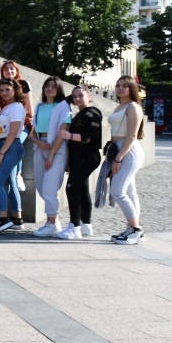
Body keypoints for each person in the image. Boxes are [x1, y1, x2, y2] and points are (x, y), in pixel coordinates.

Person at [56, 86, 102, 239]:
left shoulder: (92, 113)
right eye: (74, 96)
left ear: (89, 96)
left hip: (88, 156)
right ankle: (85, 224)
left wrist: (70, 135)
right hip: (79, 157)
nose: (77, 99)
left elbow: (92, 136)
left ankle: (74, 226)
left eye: (80, 95)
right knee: (82, 189)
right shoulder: (79, 114)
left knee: (71, 188)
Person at [29, 76, 71, 237]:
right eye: (47, 85)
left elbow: (63, 131)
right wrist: (39, 143)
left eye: (54, 86)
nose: (50, 89)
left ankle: (51, 222)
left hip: (57, 148)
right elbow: (32, 132)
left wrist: (51, 153)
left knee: (49, 187)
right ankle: (55, 220)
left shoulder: (62, 107)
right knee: (41, 186)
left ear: (59, 89)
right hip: (40, 146)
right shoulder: (39, 107)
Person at [107, 75, 146, 245]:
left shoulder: (133, 107)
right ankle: (134, 229)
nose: (120, 88)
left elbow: (131, 135)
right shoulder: (119, 107)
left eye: (125, 85)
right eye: (118, 85)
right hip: (120, 149)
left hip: (128, 151)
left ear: (132, 88)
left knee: (118, 191)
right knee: (130, 193)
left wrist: (118, 158)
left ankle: (135, 229)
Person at [0, 79, 27, 234]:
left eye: (7, 89)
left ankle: (3, 218)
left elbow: (13, 132)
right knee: (8, 182)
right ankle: (17, 218)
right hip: (5, 144)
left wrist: (1, 152)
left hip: (10, 146)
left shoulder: (17, 107)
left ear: (15, 90)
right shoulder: (7, 107)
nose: (4, 93)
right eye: (2, 90)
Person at [0, 60, 32, 192]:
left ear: (16, 70)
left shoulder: (24, 84)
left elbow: (30, 110)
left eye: (12, 68)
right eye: (6, 69)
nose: (9, 71)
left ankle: (18, 174)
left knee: (16, 141)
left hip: (24, 125)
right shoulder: (0, 85)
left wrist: (24, 123)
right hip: (6, 124)